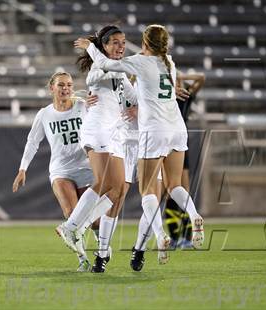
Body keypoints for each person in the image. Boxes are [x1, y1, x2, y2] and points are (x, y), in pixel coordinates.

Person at [74, 24, 205, 258]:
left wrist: (91, 47)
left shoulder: (141, 61)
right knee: (174, 185)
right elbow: (154, 89)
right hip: (177, 129)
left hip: (153, 132)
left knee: (147, 191)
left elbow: (104, 64)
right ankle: (194, 215)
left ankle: (159, 234)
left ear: (145, 43)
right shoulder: (170, 63)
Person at [56, 25, 139, 273]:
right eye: (114, 42)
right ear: (103, 46)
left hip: (114, 135)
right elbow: (96, 75)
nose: (121, 47)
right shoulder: (100, 65)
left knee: (118, 190)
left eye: (123, 42)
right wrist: (91, 49)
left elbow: (137, 100)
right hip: (97, 130)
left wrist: (140, 106)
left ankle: (88, 237)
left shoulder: (122, 74)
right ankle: (71, 227)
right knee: (107, 184)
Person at [12, 72, 94, 272]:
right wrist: (23, 169)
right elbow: (33, 143)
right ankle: (83, 259)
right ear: (52, 88)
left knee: (95, 221)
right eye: (61, 85)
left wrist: (97, 104)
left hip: (86, 167)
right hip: (61, 170)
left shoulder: (84, 107)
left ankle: (102, 252)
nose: (65, 88)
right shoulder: (44, 114)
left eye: (69, 85)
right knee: (71, 214)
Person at [165, 70, 205, 249]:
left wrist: (179, 77)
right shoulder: (165, 92)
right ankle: (176, 236)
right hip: (171, 139)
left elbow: (201, 78)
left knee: (180, 190)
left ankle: (186, 237)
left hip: (175, 141)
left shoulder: (184, 94)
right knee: (171, 192)